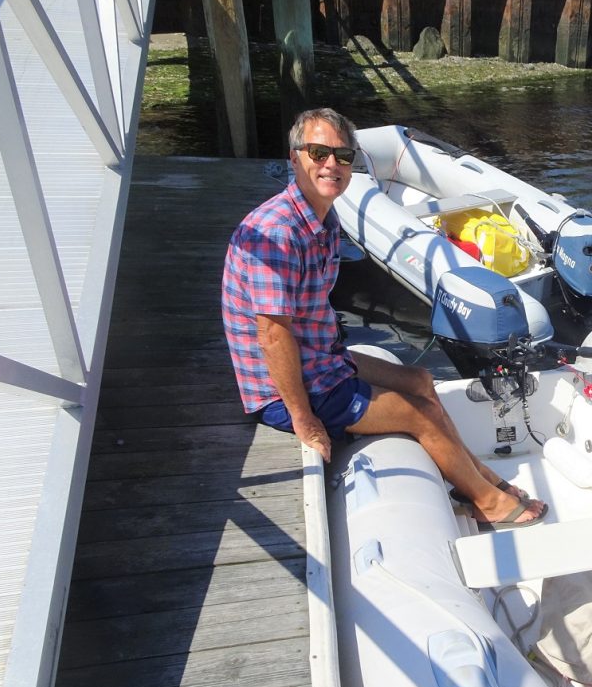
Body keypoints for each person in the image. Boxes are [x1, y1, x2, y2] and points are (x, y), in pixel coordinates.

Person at [222, 108, 547, 527]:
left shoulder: (323, 219)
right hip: (285, 389)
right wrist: (303, 419)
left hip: (321, 361)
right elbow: (271, 336)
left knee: (421, 381)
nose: (332, 164)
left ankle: (478, 475)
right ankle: (488, 502)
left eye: (343, 155)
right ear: (295, 157)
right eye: (319, 152)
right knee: (416, 413)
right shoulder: (277, 233)